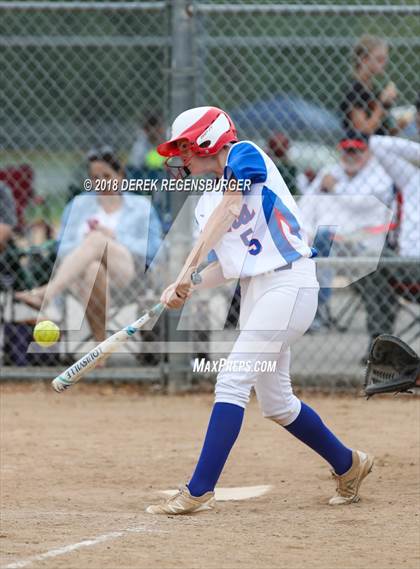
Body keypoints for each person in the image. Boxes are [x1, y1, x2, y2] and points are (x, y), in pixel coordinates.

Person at [146, 106, 374, 515]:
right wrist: (185, 286)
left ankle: (198, 491)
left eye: (185, 148)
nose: (180, 159)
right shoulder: (203, 205)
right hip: (259, 293)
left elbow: (232, 207)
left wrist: (186, 267)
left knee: (232, 380)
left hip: (292, 283)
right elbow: (228, 265)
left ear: (209, 140)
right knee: (278, 404)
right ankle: (349, 464)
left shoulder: (244, 154)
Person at [16, 148, 162, 343]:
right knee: (94, 268)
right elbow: (61, 248)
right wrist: (86, 244)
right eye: (94, 177)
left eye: (107, 175)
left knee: (97, 239)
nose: (100, 181)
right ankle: (101, 348)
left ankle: (47, 293)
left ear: (121, 176)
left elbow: (155, 249)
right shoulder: (79, 205)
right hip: (83, 278)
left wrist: (114, 237)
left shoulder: (141, 207)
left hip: (129, 276)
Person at [302, 135, 397, 337]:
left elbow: (360, 202)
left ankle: (316, 316)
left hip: (364, 243)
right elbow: (306, 206)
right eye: (347, 150)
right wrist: (306, 233)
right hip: (328, 241)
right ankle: (313, 314)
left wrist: (335, 188)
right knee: (319, 245)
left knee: (323, 244)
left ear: (368, 153)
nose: (351, 155)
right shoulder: (329, 172)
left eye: (356, 151)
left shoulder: (378, 175)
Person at [340, 35, 400, 137]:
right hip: (361, 150)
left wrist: (401, 123)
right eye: (379, 59)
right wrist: (382, 104)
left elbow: (382, 132)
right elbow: (364, 130)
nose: (384, 63)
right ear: (363, 59)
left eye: (385, 59)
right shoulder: (355, 89)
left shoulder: (373, 88)